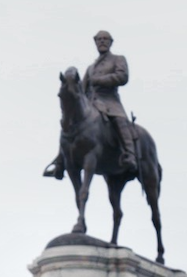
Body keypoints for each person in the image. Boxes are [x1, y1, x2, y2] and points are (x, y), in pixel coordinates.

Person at [44, 30, 137, 179]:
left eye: (105, 39)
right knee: (69, 126)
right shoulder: (90, 68)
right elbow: (82, 88)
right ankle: (60, 162)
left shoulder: (118, 59)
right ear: (95, 42)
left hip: (110, 101)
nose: (102, 41)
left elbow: (122, 77)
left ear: (111, 42)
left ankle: (130, 154)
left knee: (119, 121)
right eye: (99, 39)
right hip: (91, 103)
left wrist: (100, 80)